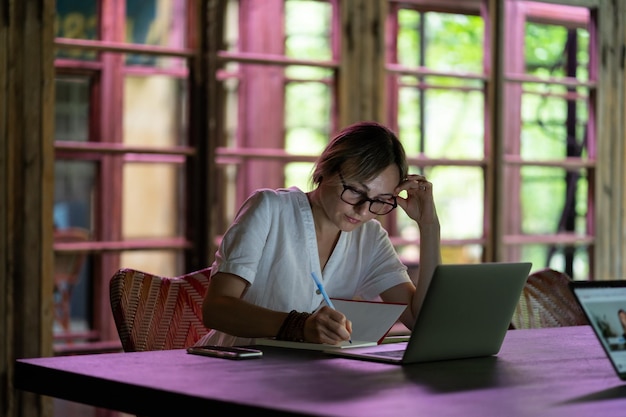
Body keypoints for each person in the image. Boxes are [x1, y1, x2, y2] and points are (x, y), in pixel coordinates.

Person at [196, 121, 441, 347]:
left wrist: (429, 227)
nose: (364, 209)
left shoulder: (370, 238)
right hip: (230, 368)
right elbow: (217, 309)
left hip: (304, 380)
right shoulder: (270, 209)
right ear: (325, 170)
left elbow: (422, 320)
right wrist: (300, 326)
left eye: (380, 201)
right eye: (355, 191)